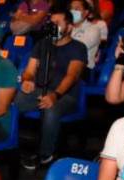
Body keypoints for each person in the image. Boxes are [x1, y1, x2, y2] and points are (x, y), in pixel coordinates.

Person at [16, 9, 87, 169]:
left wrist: (55, 95)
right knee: (16, 100)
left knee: (51, 108)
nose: (53, 26)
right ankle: (9, 144)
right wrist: (27, 80)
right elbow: (29, 70)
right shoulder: (43, 44)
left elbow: (72, 76)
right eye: (51, 23)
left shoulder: (78, 48)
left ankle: (45, 154)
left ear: (69, 27)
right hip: (39, 91)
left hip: (65, 95)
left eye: (57, 23)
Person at [70, 0, 104, 75]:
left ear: (86, 12)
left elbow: (76, 49)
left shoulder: (94, 29)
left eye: (76, 9)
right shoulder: (66, 26)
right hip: (63, 65)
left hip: (83, 70)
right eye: (71, 9)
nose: (72, 12)